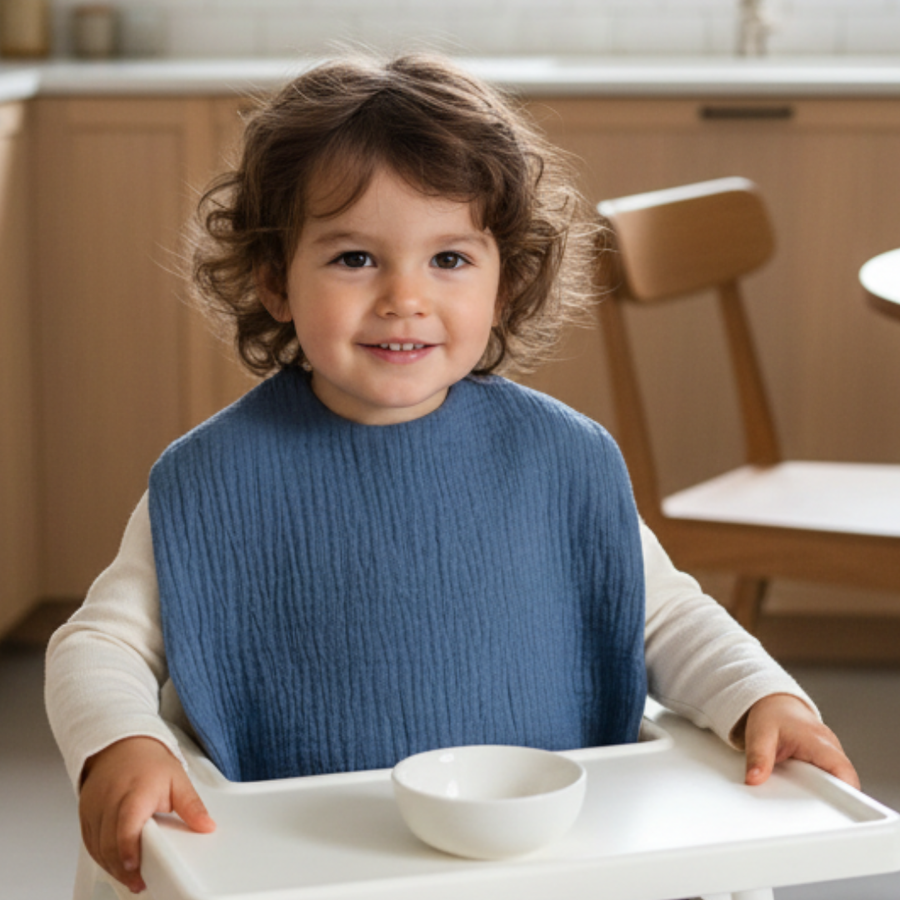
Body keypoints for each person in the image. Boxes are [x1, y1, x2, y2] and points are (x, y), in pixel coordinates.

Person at [45, 53, 857, 899]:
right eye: (355, 258)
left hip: (545, 861)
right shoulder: (209, 480)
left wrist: (763, 698)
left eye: (450, 260)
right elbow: (99, 644)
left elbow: (665, 618)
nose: (405, 296)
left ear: (506, 280)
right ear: (272, 278)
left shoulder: (565, 461)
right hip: (311, 867)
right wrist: (121, 742)